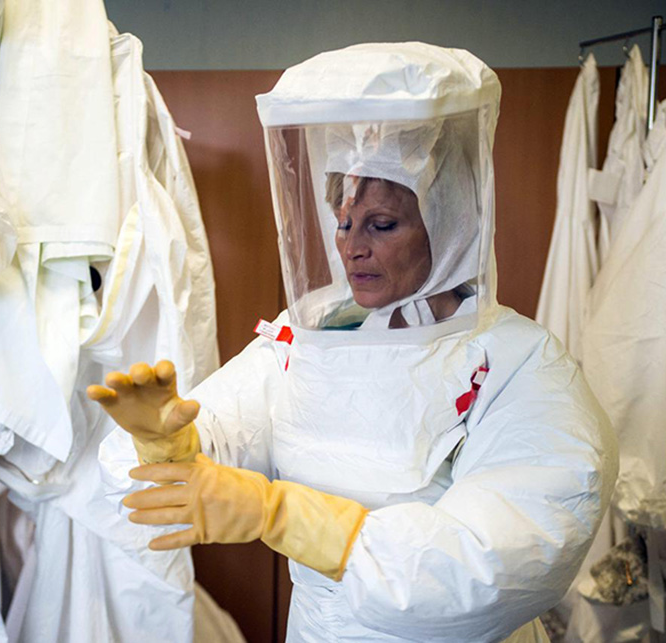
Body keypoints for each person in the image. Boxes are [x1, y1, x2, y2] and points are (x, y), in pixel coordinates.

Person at [89, 42, 618, 642]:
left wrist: (284, 515)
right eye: (343, 222)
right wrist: (170, 447)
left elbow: (492, 563)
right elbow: (214, 435)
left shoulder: (519, 367)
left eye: (382, 225)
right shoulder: (315, 336)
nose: (351, 247)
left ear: (448, 224)